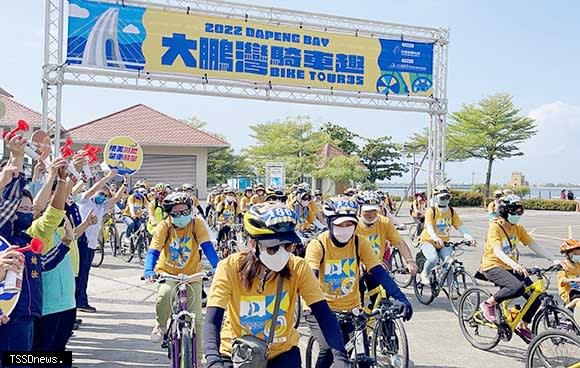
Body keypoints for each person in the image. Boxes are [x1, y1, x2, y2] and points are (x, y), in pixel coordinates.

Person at [203, 202, 349, 368]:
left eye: (288, 246)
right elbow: (212, 320)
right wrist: (213, 361)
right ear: (253, 244)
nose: (282, 253)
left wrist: (340, 358)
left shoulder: (298, 267)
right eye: (272, 248)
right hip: (238, 352)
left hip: (282, 352)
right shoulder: (229, 267)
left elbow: (323, 313)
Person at [305, 197, 413, 368]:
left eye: (349, 224)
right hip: (320, 309)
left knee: (361, 357)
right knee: (328, 350)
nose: (345, 229)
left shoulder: (359, 242)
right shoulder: (318, 244)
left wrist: (400, 297)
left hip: (352, 309)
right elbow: (310, 279)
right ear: (329, 222)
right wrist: (321, 309)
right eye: (339, 225)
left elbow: (378, 272)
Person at [143, 192, 219, 362]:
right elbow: (154, 250)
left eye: (185, 212)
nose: (182, 216)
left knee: (197, 319)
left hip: (193, 275)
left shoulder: (196, 224)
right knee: (165, 295)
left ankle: (198, 359)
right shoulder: (164, 226)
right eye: (176, 213)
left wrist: (217, 266)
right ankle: (161, 325)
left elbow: (207, 247)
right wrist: (149, 270)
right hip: (168, 273)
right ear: (169, 213)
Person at [479, 195, 561, 340]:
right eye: (514, 212)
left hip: (511, 266)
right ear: (504, 212)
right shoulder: (495, 228)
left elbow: (533, 245)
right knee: (516, 288)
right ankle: (488, 304)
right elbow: (497, 251)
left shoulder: (518, 228)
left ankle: (523, 326)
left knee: (536, 297)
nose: (517, 216)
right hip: (493, 265)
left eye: (519, 212)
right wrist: (514, 264)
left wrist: (553, 259)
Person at [356, 191, 417, 305]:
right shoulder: (352, 225)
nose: (371, 214)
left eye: (374, 210)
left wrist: (410, 261)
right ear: (359, 210)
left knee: (384, 304)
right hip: (356, 268)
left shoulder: (384, 222)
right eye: (367, 211)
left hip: (376, 267)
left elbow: (399, 242)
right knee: (356, 304)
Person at [77, 170, 126, 313]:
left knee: (84, 273)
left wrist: (124, 183)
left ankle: (80, 301)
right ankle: (80, 302)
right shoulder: (85, 200)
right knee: (80, 274)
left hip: (91, 244)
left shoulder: (102, 206)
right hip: (81, 240)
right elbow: (92, 189)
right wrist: (108, 177)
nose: (103, 197)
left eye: (105, 195)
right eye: (101, 193)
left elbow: (115, 199)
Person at [417, 185, 475, 285]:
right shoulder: (431, 211)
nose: (445, 200)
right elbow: (429, 226)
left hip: (443, 243)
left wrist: (468, 237)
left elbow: (460, 226)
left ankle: (452, 287)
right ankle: (424, 274)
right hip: (428, 241)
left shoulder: (451, 211)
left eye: (447, 197)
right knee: (433, 259)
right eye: (442, 198)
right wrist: (435, 237)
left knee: (449, 262)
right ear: (436, 198)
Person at [557, 239, 580, 311]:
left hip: (578, 289)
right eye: (575, 254)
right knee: (578, 300)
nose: (578, 256)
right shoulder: (564, 265)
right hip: (569, 292)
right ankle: (565, 310)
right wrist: (574, 279)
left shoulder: (578, 264)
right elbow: (562, 280)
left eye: (579, 254)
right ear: (568, 254)